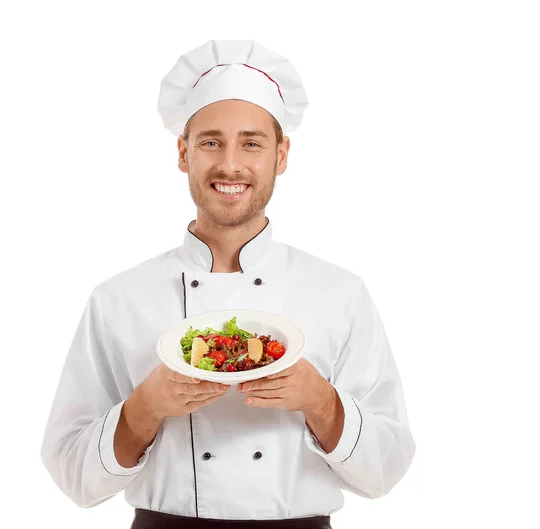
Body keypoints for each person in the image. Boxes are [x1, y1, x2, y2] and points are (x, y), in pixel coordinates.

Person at [40, 39, 416, 529]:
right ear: (184, 153)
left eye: (252, 143)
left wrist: (320, 400)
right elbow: (71, 474)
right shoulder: (118, 298)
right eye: (211, 142)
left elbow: (386, 470)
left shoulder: (340, 293)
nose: (231, 165)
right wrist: (143, 409)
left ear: (282, 155)